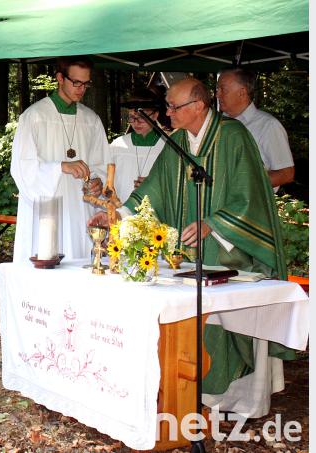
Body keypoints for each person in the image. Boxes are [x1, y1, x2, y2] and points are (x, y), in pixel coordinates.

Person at [90, 77, 289, 418]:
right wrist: (117, 216)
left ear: (198, 106)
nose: (167, 113)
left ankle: (238, 400)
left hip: (230, 249)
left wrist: (215, 223)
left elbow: (252, 194)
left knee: (226, 321)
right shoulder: (179, 140)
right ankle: (194, 394)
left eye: (173, 106)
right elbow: (154, 189)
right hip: (187, 255)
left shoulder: (234, 136)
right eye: (167, 106)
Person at [10, 56, 108, 263]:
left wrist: (98, 182)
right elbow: (22, 168)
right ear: (60, 78)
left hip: (80, 210)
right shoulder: (34, 116)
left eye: (86, 83)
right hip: (46, 213)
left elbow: (101, 163)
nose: (82, 89)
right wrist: (60, 167)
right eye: (77, 82)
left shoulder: (91, 120)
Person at [216, 68, 295, 191]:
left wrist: (242, 187)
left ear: (242, 92)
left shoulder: (268, 125)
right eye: (217, 89)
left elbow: (286, 174)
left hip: (251, 202)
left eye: (223, 90)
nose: (217, 95)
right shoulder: (217, 123)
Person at [108, 88, 166, 201]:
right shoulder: (118, 145)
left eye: (142, 117)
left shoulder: (166, 146)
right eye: (132, 117)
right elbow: (106, 180)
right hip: (123, 206)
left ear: (155, 115)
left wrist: (154, 185)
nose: (136, 122)